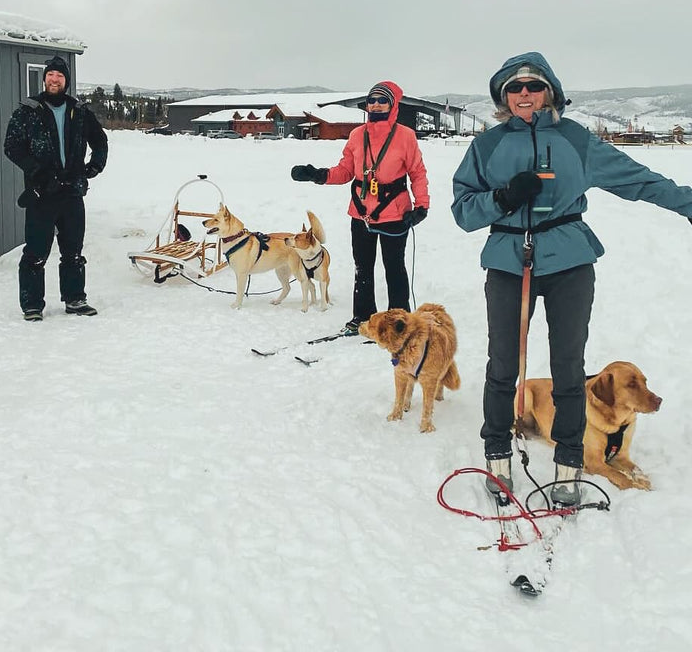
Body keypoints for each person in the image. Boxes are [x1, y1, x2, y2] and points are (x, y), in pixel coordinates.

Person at [451, 51, 692, 507]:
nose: (525, 94)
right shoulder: (487, 146)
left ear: (549, 91)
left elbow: (638, 180)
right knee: (503, 364)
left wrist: (687, 203)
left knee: (568, 367)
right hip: (508, 260)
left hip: (569, 259)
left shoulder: (576, 140)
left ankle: (569, 461)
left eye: (533, 85)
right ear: (504, 96)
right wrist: (502, 198)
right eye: (515, 88)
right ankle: (498, 453)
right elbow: (463, 211)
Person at [290, 81, 430, 333]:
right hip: (361, 213)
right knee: (362, 268)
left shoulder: (405, 136)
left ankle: (400, 322)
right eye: (372, 100)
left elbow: (417, 173)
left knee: (394, 268)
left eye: (382, 100)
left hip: (395, 214)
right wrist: (318, 175)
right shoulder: (357, 135)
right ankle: (362, 318)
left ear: (392, 104)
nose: (376, 104)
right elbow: (345, 171)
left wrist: (421, 206)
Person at [4, 55, 108, 321]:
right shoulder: (28, 111)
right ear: (44, 79)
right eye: (50, 75)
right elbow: (12, 147)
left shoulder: (80, 111)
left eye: (60, 76)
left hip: (72, 192)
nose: (54, 79)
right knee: (36, 252)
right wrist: (37, 172)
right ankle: (32, 305)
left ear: (66, 81)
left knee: (73, 251)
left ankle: (75, 299)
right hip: (42, 193)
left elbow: (100, 140)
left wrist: (94, 167)